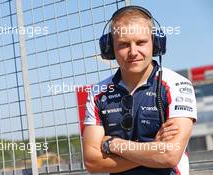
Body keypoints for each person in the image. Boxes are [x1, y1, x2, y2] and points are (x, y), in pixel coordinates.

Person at [83, 5, 197, 175]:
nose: (133, 52)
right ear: (109, 48)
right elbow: (92, 162)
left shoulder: (177, 85)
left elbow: (169, 156)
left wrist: (112, 144)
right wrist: (152, 151)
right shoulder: (98, 92)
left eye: (141, 42)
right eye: (123, 44)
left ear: (156, 43)